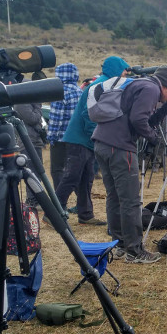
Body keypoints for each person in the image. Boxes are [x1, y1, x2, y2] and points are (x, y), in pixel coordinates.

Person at [92, 64, 167, 263]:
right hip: (120, 148)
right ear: (166, 86)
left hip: (102, 143)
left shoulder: (140, 85)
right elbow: (139, 120)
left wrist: (166, 107)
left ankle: (119, 244)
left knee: (114, 197)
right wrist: (153, 138)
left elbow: (147, 120)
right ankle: (135, 250)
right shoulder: (151, 89)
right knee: (131, 200)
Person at [53, 60, 111, 226]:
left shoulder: (101, 84)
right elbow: (88, 115)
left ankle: (85, 214)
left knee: (87, 178)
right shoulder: (99, 86)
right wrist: (97, 135)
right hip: (79, 139)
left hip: (86, 140)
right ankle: (54, 213)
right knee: (72, 176)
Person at [47, 63, 82, 190]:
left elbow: (56, 119)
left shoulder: (59, 93)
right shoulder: (80, 91)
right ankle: (82, 203)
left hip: (61, 139)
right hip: (77, 139)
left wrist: (51, 138)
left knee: (57, 170)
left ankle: (59, 203)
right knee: (75, 171)